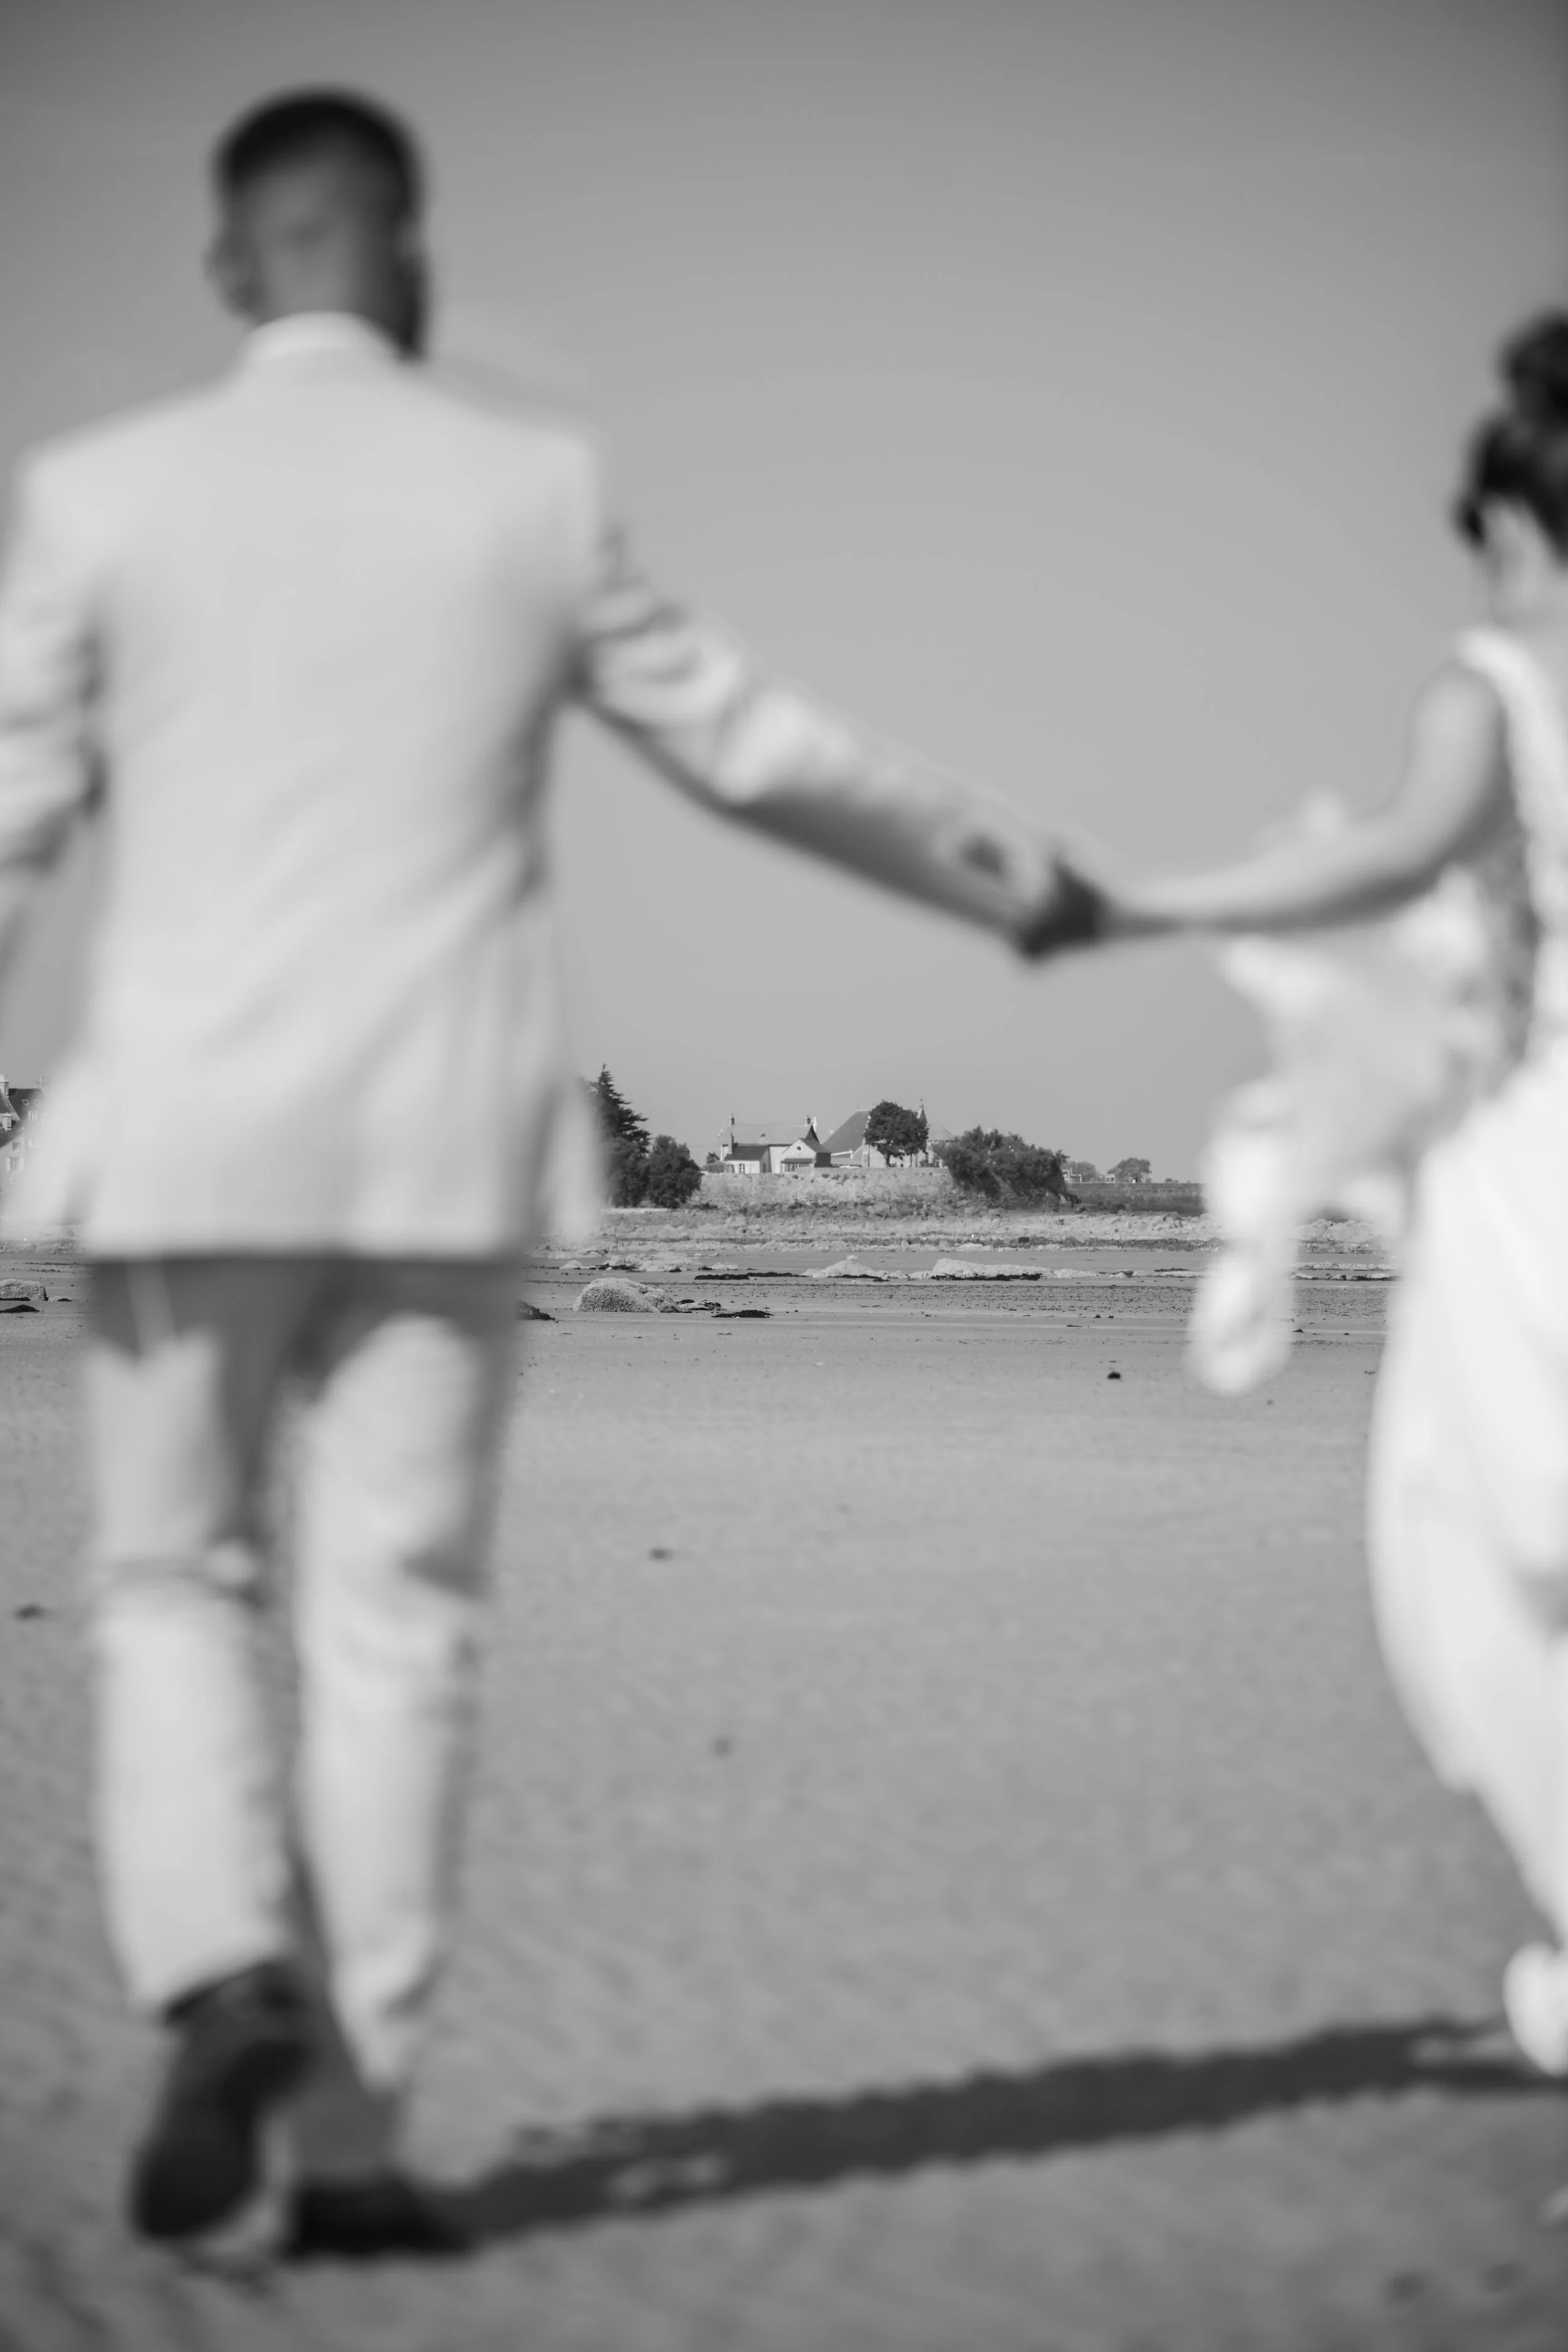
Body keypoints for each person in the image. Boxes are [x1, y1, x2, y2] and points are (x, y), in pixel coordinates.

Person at [0, 90, 1091, 2257]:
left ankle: (220, 1969)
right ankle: (358, 2147)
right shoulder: (528, 486)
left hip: (186, 1145)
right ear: (406, 258)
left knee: (175, 1589)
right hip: (440, 1156)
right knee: (397, 1626)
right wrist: (1007, 872)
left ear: (232, 271)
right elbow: (753, 747)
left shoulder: (101, 493)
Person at [1066, 315, 1568, 2093]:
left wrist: (1132, 903)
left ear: (1511, 519)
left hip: (1541, 1174)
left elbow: (1376, 853)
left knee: (1495, 1552)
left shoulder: (1494, 683)